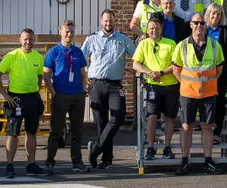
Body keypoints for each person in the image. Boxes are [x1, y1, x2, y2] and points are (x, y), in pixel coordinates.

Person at [81, 9, 136, 169]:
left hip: (114, 85)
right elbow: (80, 60)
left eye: (110, 20)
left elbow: (137, 56)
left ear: (114, 21)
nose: (108, 23)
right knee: (101, 122)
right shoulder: (92, 39)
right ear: (101, 22)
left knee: (118, 117)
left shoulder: (123, 39)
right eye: (105, 20)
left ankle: (95, 148)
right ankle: (106, 158)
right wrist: (84, 80)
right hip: (96, 84)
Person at [172, 12, 225, 175]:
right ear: (191, 24)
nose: (199, 26)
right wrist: (187, 83)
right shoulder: (182, 46)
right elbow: (176, 70)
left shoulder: (215, 46)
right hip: (188, 93)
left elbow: (219, 69)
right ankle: (184, 162)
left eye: (202, 23)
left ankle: (208, 162)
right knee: (186, 126)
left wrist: (207, 83)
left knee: (207, 127)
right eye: (196, 23)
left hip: (209, 93)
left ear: (206, 25)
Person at [0, 28, 48, 179]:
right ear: (20, 40)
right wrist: (6, 96)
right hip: (15, 100)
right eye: (25, 39)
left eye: (31, 39)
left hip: (32, 99)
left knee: (31, 132)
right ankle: (10, 165)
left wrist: (35, 93)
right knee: (13, 133)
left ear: (34, 40)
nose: (28, 42)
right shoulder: (12, 56)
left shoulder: (38, 57)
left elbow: (40, 77)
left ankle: (31, 164)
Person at [42, 20, 89, 174]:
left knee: (77, 131)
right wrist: (54, 93)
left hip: (77, 96)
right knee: (56, 131)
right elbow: (46, 75)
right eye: (67, 31)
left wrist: (82, 90)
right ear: (60, 32)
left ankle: (77, 162)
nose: (69, 34)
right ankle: (50, 161)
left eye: (72, 32)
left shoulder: (78, 52)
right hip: (60, 95)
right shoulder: (53, 52)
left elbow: (83, 73)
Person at [132, 17, 180, 161]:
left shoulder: (171, 43)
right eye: (151, 28)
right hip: (152, 86)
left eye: (157, 27)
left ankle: (167, 147)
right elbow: (135, 64)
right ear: (147, 30)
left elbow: (176, 65)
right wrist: (148, 72)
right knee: (151, 116)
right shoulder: (143, 44)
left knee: (169, 117)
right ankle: (151, 148)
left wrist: (161, 73)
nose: (154, 30)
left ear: (161, 29)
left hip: (170, 85)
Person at [204, 3, 227, 143]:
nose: (216, 16)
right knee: (205, 102)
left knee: (219, 101)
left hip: (221, 73)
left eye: (218, 14)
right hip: (204, 73)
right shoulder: (202, 29)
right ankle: (206, 129)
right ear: (208, 14)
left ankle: (216, 132)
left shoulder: (226, 30)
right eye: (213, 13)